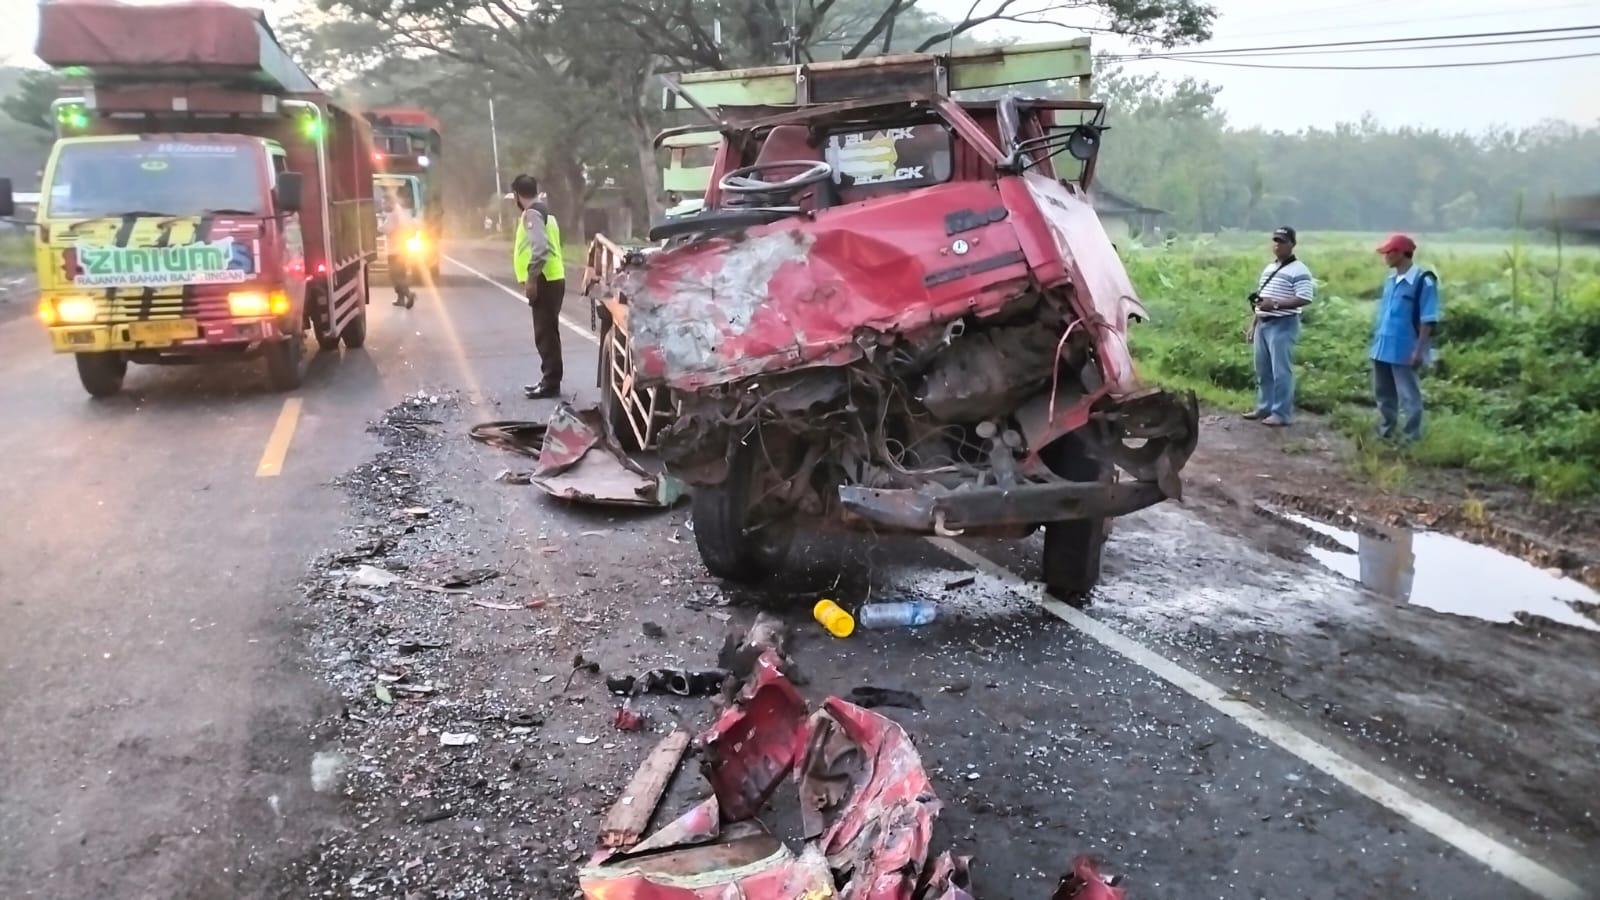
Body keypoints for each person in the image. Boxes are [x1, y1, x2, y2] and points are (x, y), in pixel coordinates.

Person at [1370, 233, 1440, 443]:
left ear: (1402, 253)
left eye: (1389, 252)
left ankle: (1411, 437)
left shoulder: (1423, 281)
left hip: (1405, 346)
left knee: (1408, 394)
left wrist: (1418, 350)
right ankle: (1387, 431)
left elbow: (1428, 319)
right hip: (1383, 345)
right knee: (1383, 393)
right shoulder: (1391, 281)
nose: (1386, 257)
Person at [1243, 226, 1314, 427]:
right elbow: (1261, 300)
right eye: (1275, 240)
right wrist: (1253, 324)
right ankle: (1264, 407)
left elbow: (1304, 298)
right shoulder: (1269, 269)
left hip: (1283, 323)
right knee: (1263, 369)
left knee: (1281, 371)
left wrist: (1274, 304)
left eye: (1282, 241)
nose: (1277, 245)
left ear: (1292, 244)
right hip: (1263, 323)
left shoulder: (1299, 270)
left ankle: (1281, 412)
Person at [511, 174, 566, 399]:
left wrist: (532, 278)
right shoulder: (546, 213)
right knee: (548, 333)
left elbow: (540, 248)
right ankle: (549, 379)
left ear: (517, 195)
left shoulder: (531, 214)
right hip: (553, 279)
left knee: (545, 335)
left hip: (544, 280)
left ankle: (551, 383)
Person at [381, 190, 417, 309]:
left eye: (385, 202)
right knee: (400, 274)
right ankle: (401, 299)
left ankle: (408, 294)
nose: (384, 205)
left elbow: (387, 228)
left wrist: (378, 227)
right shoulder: (400, 211)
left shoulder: (394, 214)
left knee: (395, 276)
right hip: (402, 249)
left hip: (395, 251)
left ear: (390, 201)